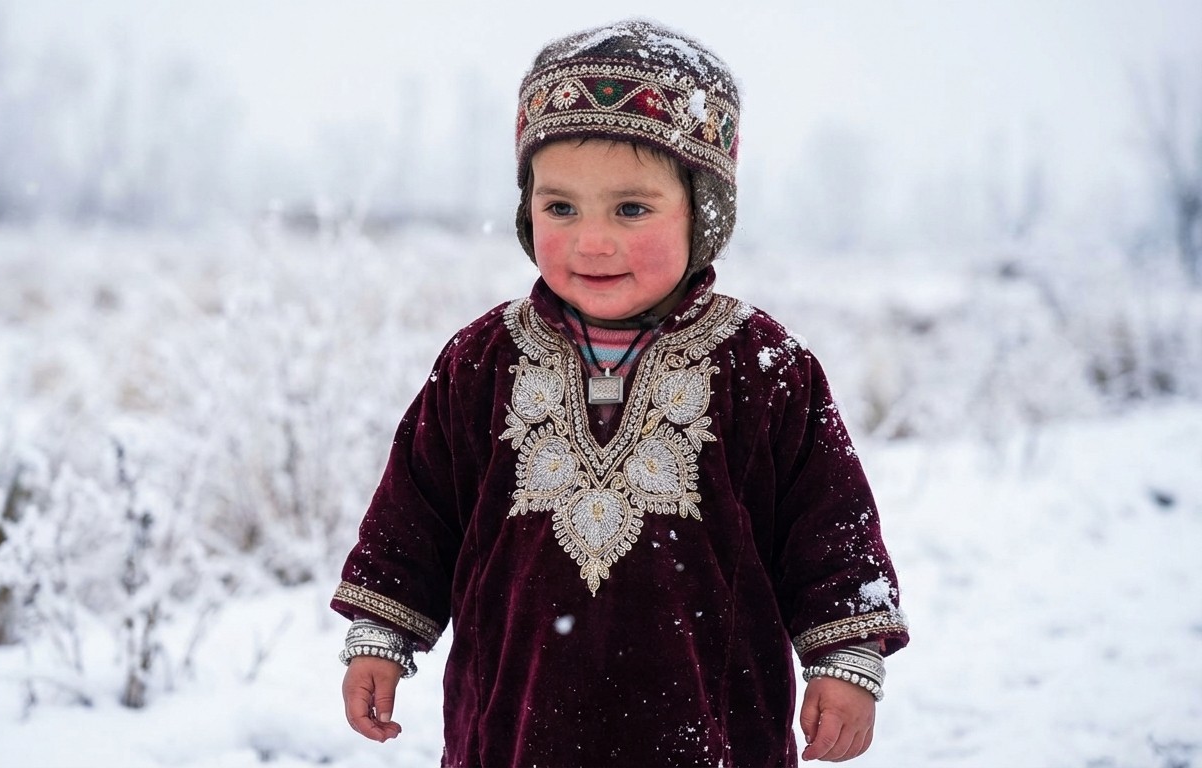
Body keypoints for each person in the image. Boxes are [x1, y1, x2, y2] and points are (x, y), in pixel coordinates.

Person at [331, 18, 909, 767]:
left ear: (702, 214)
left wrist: (846, 659)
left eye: (631, 209)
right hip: (514, 731)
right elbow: (417, 512)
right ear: (525, 208)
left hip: (708, 727)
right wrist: (381, 636)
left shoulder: (764, 367)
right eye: (560, 207)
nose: (590, 241)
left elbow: (830, 527)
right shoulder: (482, 362)